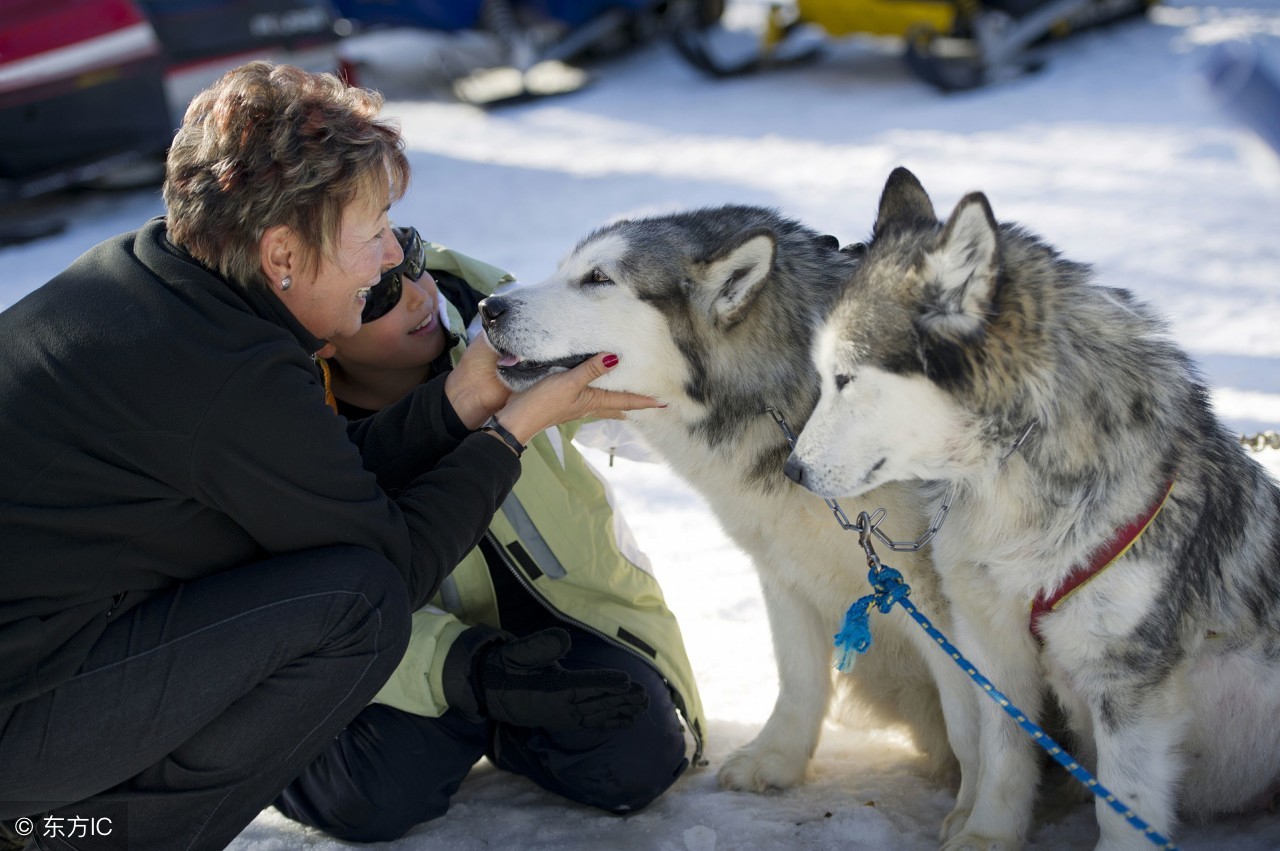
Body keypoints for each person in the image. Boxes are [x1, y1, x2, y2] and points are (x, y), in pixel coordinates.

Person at [0, 61, 661, 851]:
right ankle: (97, 838)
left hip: (42, 665)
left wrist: (468, 396)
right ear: (282, 254)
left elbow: (318, 478)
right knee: (357, 607)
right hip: (20, 717)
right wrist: (510, 434)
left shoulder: (160, 288)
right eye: (374, 229)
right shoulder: (225, 374)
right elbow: (391, 561)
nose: (391, 257)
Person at [272, 226, 707, 842]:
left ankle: (503, 729)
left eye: (412, 261)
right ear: (318, 343)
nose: (420, 297)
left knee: (636, 756)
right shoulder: (282, 440)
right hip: (392, 652)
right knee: (374, 796)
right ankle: (263, 753)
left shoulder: (503, 326)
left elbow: (670, 411)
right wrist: (466, 674)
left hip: (570, 623)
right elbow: (304, 612)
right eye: (379, 296)